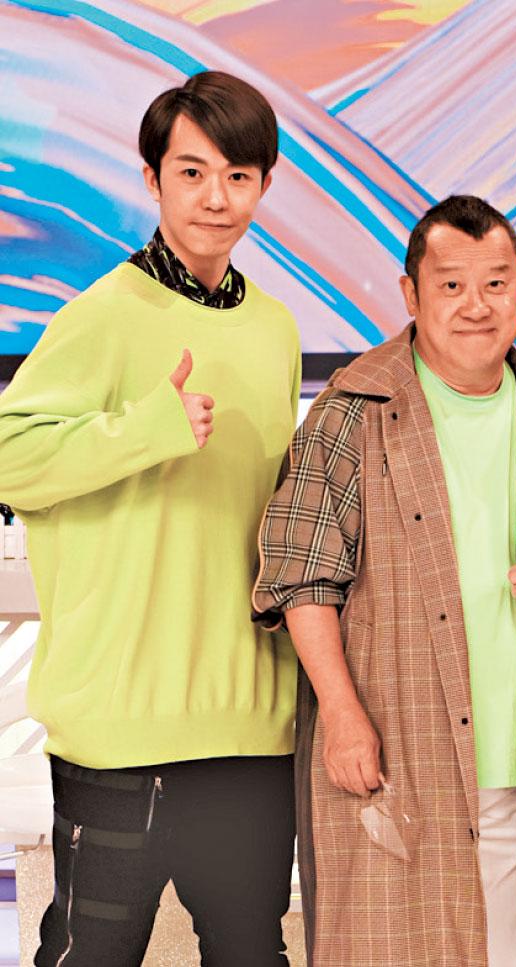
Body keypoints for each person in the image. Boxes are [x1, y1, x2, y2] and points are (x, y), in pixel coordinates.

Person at [253, 194, 516, 966]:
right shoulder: (354, 409)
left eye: (496, 284)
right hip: (397, 763)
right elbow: (301, 575)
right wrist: (341, 714)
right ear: (411, 294)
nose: (477, 306)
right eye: (452, 285)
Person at [0, 71, 300, 965]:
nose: (216, 197)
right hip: (120, 728)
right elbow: (10, 454)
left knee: (251, 952)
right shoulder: (104, 313)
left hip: (249, 725)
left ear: (265, 184)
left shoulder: (276, 328)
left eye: (238, 176)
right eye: (192, 173)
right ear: (152, 179)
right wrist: (144, 431)